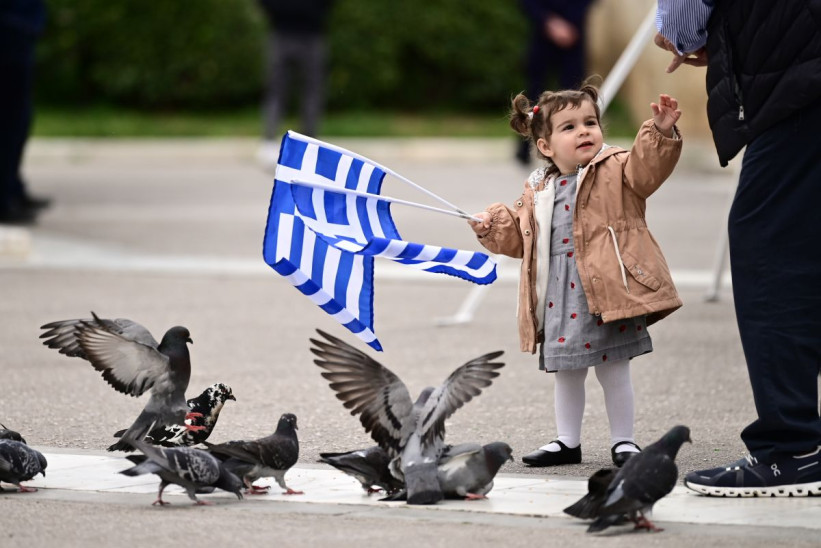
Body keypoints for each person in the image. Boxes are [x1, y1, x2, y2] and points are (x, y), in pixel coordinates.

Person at [468, 82, 683, 467]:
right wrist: (490, 226)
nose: (584, 131)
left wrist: (660, 132)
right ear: (546, 146)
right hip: (559, 294)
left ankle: (624, 441)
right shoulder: (540, 188)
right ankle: (567, 441)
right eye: (569, 127)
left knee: (614, 368)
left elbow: (647, 171)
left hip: (606, 288)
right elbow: (521, 238)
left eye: (590, 122)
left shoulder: (617, 168)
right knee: (566, 371)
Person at [655, 0, 821, 497]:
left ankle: (792, 449)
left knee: (770, 247)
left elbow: (684, 15)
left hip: (800, 71)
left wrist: (681, 35)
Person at [256, 0, 335, 169]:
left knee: (312, 91)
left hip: (312, 32)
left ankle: (309, 145)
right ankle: (269, 141)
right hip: (281, 30)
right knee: (276, 89)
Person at [515, 0, 596, 165]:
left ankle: (574, 148)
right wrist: (549, 22)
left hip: (574, 34)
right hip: (542, 33)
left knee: (574, 96)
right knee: (533, 93)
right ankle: (525, 146)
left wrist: (570, 23)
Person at [0, 0, 50, 224]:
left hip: (19, 22)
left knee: (17, 115)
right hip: (10, 23)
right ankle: (4, 195)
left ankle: (11, 187)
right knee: (9, 115)